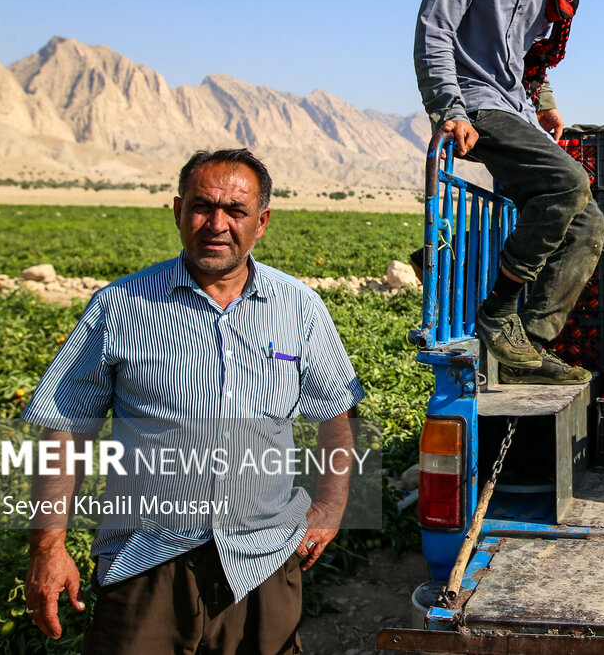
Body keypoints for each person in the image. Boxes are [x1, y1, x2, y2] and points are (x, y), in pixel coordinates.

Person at [21, 148, 365, 654]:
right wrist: (48, 546)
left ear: (262, 222)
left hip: (263, 559)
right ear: (178, 210)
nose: (217, 224)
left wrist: (332, 506)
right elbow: (64, 425)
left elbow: (337, 409)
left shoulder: (299, 307)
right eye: (202, 207)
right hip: (146, 562)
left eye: (236, 211)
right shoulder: (120, 305)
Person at [414, 0, 603, 386]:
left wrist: (543, 102)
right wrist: (448, 109)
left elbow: (534, 49)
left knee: (590, 221)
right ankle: (497, 310)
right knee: (568, 185)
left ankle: (528, 344)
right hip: (473, 99)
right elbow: (435, 28)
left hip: (517, 104)